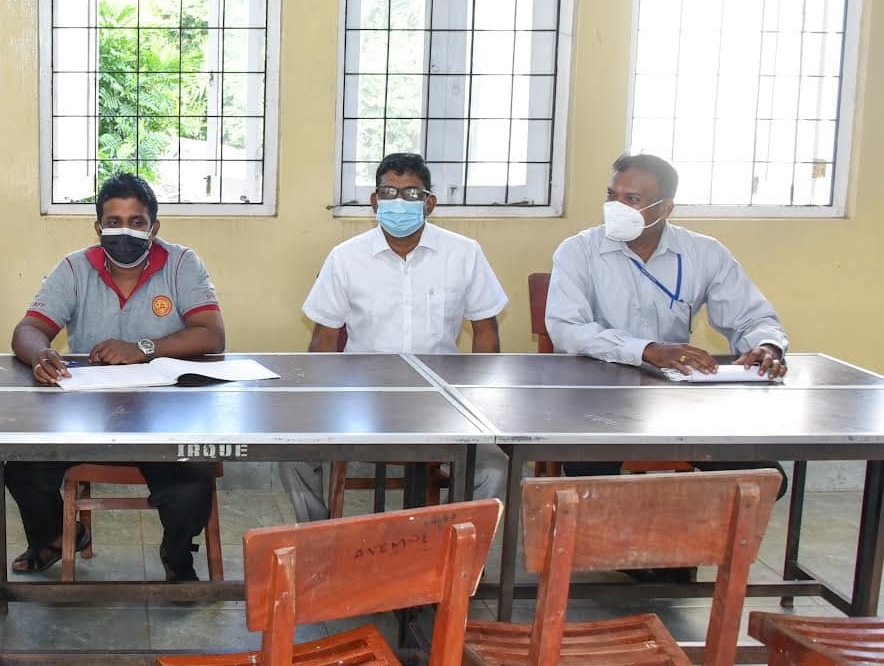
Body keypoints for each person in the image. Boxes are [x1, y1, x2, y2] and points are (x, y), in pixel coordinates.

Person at [8, 172, 225, 582]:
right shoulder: (75, 267)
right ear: (98, 227)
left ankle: (177, 551)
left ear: (153, 228)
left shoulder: (182, 263)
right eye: (114, 222)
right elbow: (28, 329)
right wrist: (40, 354)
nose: (124, 231)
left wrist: (143, 348)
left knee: (192, 481)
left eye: (136, 222)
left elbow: (212, 335)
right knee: (22, 467)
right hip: (86, 412)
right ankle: (56, 537)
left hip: (166, 412)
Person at [283, 152, 511, 523]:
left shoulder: (464, 254)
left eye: (412, 193)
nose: (399, 202)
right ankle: (318, 535)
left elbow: (486, 330)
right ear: (375, 202)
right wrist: (318, 401)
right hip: (360, 399)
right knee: (292, 453)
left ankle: (459, 548)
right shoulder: (346, 258)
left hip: (442, 399)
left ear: (429, 203)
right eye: (389, 192)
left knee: (494, 466)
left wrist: (476, 400)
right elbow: (324, 338)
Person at [546, 152, 789, 489]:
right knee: (588, 475)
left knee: (765, 479)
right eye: (611, 195)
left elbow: (752, 317)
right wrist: (647, 350)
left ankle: (684, 520)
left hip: (676, 394)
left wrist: (767, 345)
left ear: (664, 209)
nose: (616, 207)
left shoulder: (704, 253)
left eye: (632, 199)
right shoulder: (578, 251)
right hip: (597, 395)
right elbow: (566, 328)